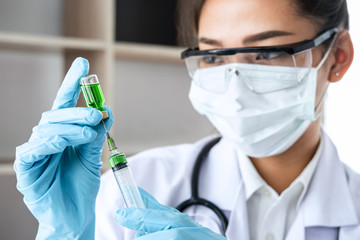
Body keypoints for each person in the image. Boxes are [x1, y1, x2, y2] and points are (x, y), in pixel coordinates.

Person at [15, 0, 360, 239]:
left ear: (338, 57)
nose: (234, 83)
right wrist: (66, 235)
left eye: (266, 52)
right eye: (212, 56)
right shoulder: (137, 186)